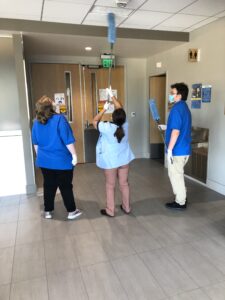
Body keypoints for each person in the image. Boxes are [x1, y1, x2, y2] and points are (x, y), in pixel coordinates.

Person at [32, 95, 82, 220]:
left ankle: (48, 211)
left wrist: (41, 158)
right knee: (65, 186)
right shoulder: (59, 119)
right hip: (62, 161)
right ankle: (72, 211)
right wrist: (74, 155)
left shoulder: (36, 122)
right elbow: (68, 140)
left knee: (48, 185)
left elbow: (36, 144)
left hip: (44, 161)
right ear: (51, 107)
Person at [93, 88, 135, 217]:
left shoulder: (106, 127)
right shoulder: (126, 125)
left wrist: (104, 109)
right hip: (124, 160)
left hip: (111, 161)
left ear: (112, 117)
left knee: (110, 185)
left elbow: (94, 121)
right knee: (124, 184)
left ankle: (110, 211)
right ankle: (127, 207)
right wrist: (112, 96)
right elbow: (120, 109)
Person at [159, 82, 191, 210]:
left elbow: (176, 131)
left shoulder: (176, 109)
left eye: (172, 93)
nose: (170, 96)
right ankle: (182, 196)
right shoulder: (184, 108)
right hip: (184, 149)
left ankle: (180, 202)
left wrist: (170, 149)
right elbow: (179, 128)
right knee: (179, 174)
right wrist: (166, 128)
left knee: (175, 176)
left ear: (179, 95)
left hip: (177, 151)